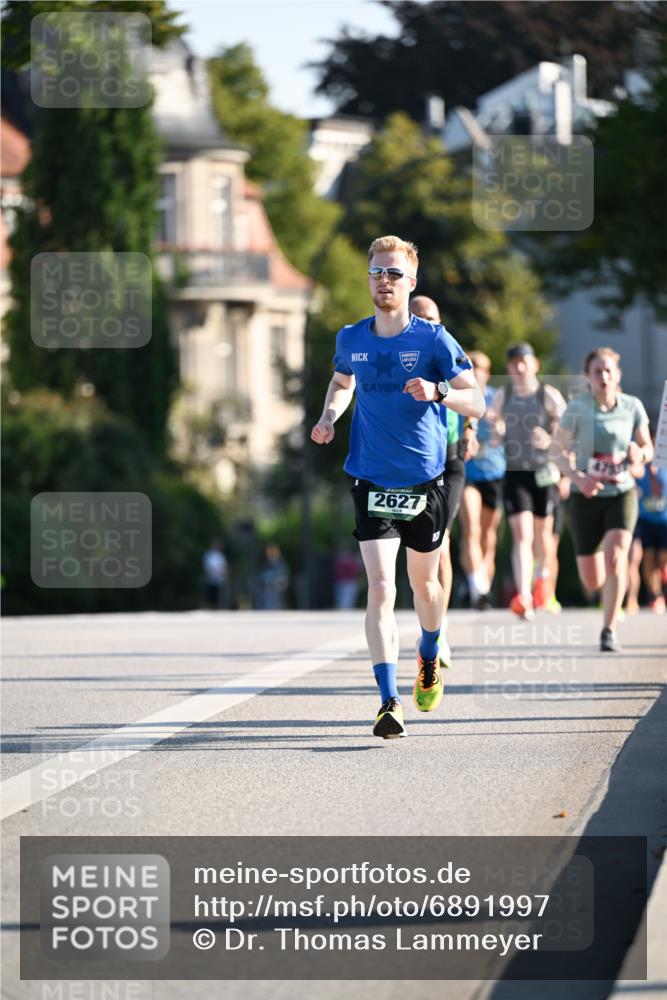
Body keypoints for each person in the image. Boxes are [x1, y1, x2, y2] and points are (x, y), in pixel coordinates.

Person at [311, 235, 485, 739]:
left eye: (393, 273)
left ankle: (429, 650)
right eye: (376, 272)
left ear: (411, 282)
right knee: (382, 587)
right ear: (368, 279)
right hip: (371, 479)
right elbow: (342, 382)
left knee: (424, 587)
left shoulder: (434, 340)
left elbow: (476, 401)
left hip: (425, 482)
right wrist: (328, 416)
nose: (383, 281)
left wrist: (439, 390)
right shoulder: (351, 338)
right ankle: (388, 701)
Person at [551, 347, 653, 651]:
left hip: (621, 492)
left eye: (609, 370)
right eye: (597, 371)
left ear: (617, 375)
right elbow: (556, 451)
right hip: (585, 497)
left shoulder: (632, 406)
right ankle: (605, 597)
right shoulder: (577, 409)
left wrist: (639, 454)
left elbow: (647, 449)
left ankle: (609, 630)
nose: (604, 376)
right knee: (593, 579)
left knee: (616, 556)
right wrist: (579, 478)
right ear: (588, 377)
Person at [410, 295, 478, 663]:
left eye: (431, 318)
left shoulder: (447, 350)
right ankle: (430, 620)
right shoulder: (399, 352)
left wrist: (472, 431)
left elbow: (474, 396)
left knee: (443, 543)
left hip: (449, 459)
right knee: (419, 550)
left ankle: (440, 629)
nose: (425, 323)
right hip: (415, 462)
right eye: (418, 317)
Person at [489, 343, 566, 619]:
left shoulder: (549, 394)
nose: (520, 367)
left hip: (544, 472)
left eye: (524, 361)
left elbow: (568, 429)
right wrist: (497, 431)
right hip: (515, 472)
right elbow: (494, 426)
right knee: (522, 534)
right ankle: (523, 595)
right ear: (509, 368)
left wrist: (551, 438)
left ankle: (542, 581)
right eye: (514, 363)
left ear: (535, 364)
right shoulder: (504, 395)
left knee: (543, 537)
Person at [458, 350, 506, 609]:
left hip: (495, 473)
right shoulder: (457, 396)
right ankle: (478, 588)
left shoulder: (498, 399)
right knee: (472, 529)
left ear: (487, 374)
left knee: (488, 536)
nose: (475, 373)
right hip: (467, 472)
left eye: (479, 369)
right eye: (470, 368)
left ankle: (482, 583)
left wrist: (502, 427)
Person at [633, 456, 667, 613]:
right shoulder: (640, 466)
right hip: (645, 519)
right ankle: (656, 595)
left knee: (663, 560)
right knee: (648, 557)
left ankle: (663, 583)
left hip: (664, 520)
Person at [257, 543, 289, 610]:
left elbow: (284, 580)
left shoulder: (281, 565)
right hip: (265, 595)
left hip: (277, 595)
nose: (271, 553)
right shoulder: (264, 564)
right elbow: (260, 579)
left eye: (273, 551)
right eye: (270, 551)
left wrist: (279, 585)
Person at [202, 538, 228, 609]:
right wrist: (210, 574)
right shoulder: (209, 554)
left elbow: (224, 566)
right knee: (210, 594)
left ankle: (217, 608)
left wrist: (223, 574)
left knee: (218, 595)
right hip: (210, 578)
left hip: (219, 578)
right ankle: (210, 607)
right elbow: (206, 566)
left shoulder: (220, 555)